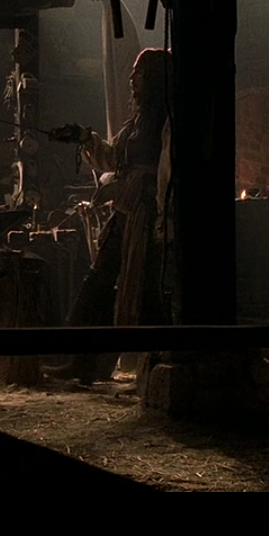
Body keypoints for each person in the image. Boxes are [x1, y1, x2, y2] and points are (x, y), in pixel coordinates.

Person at [47, 47, 174, 385]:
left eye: (139, 73)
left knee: (146, 292)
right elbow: (112, 157)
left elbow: (166, 173)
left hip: (147, 216)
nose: (132, 79)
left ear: (154, 80)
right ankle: (82, 362)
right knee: (97, 284)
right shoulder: (137, 124)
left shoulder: (166, 124)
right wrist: (84, 137)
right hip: (126, 212)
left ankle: (160, 365)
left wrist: (161, 215)